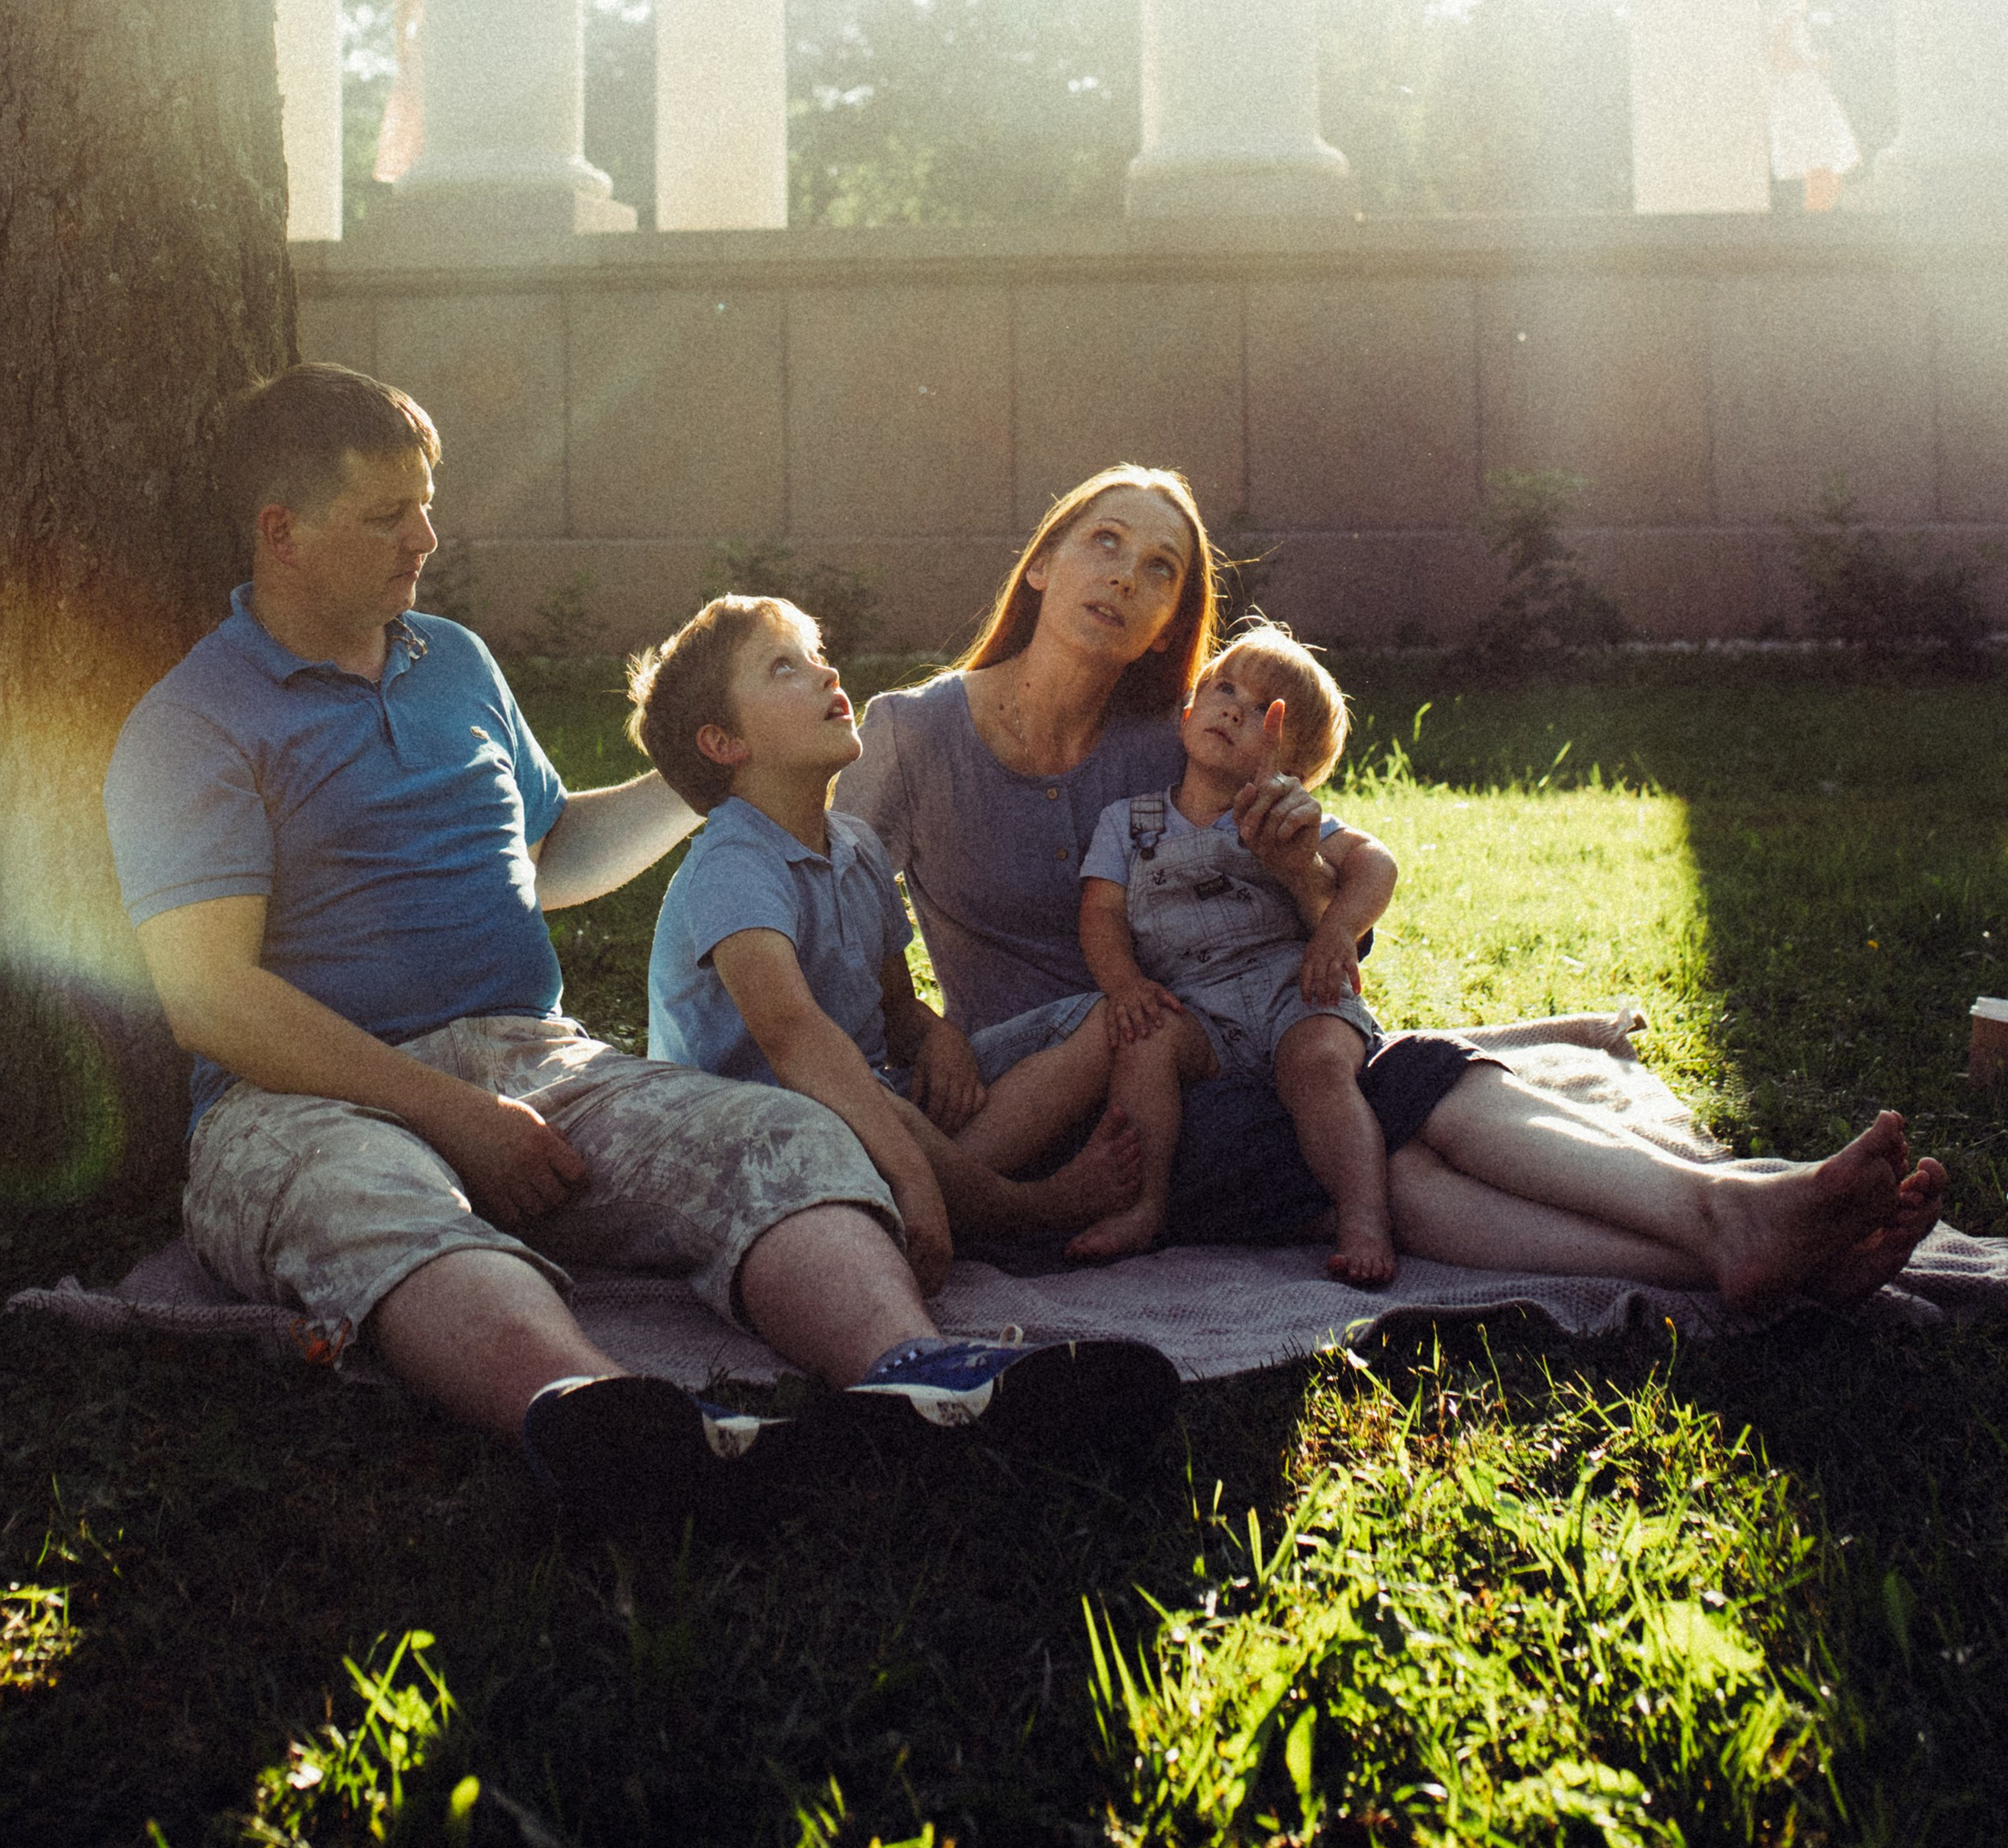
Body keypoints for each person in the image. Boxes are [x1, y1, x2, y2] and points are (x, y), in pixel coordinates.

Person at [102, 366, 1175, 1535]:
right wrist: (453, 1117)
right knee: (371, 1203)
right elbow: (209, 997)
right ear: (282, 533)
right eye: (386, 516)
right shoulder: (192, 723)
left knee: (784, 1128)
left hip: (534, 1061)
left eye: (424, 501)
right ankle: (606, 1420)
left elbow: (552, 852)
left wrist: (719, 764)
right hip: (298, 1099)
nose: (426, 537)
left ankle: (919, 1378)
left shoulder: (452, 660)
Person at [834, 461, 1948, 1304]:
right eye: (1104, 543)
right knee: (1396, 1099)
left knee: (1376, 1150)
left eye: (1161, 568)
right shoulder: (912, 731)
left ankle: (1722, 1246)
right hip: (1059, 1117)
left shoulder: (1172, 744)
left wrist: (1300, 883)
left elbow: (1306, 934)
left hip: (1210, 1061)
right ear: (1041, 562)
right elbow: (822, 911)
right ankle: (1720, 1222)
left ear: (1176, 618)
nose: (1126, 575)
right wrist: (915, 1017)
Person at [637, 593, 1149, 1285]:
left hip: (875, 1098)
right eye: (784, 668)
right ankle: (1023, 1207)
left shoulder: (856, 847)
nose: (826, 675)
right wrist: (910, 1167)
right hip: (756, 1125)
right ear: (725, 743)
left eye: (817, 656)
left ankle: (944, 1189)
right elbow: (793, 1039)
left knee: (1099, 1021)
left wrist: (939, 1041)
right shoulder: (734, 864)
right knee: (876, 1107)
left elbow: (894, 1009)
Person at [1071, 624, 1402, 1283]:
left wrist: (1336, 931)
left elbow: (1376, 864)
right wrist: (1125, 983)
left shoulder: (1289, 815)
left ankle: (1363, 1216)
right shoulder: (1129, 821)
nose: (1232, 708)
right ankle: (1145, 1206)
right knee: (1142, 1042)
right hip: (1193, 1007)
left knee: (1319, 1066)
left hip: (1293, 992)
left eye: (1262, 713)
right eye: (1223, 689)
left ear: (1294, 768)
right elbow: (1100, 912)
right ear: (1188, 713)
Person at [1761, 0, 1859, 213]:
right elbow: (1779, 58)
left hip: (1786, 94)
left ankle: (1813, 217)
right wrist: (1817, 63)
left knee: (1814, 163)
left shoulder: (1765, 12)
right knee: (1824, 160)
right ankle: (1817, 220)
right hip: (1803, 94)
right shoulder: (1785, 11)